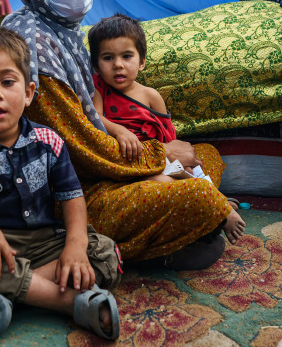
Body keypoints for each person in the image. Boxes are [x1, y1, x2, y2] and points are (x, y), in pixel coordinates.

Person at [2, 0, 245, 266]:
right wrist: (160, 157)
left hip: (108, 166)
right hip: (67, 194)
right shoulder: (34, 45)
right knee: (199, 194)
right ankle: (146, 244)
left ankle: (174, 230)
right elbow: (80, 149)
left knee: (205, 154)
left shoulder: (64, 33)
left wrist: (160, 158)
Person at [0, 26, 122, 342]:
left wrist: (74, 245)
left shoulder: (49, 142)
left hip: (46, 244)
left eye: (7, 81)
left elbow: (72, 197)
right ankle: (70, 302)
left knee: (104, 252)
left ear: (28, 93)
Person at [87, 14, 248, 239]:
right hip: (129, 166)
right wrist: (119, 130)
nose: (118, 65)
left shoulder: (151, 96)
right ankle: (217, 206)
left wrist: (180, 162)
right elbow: (94, 117)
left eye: (127, 56)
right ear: (96, 65)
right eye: (107, 58)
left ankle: (210, 198)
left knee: (201, 161)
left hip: (160, 157)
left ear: (141, 61)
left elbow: (168, 138)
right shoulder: (98, 88)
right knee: (162, 182)